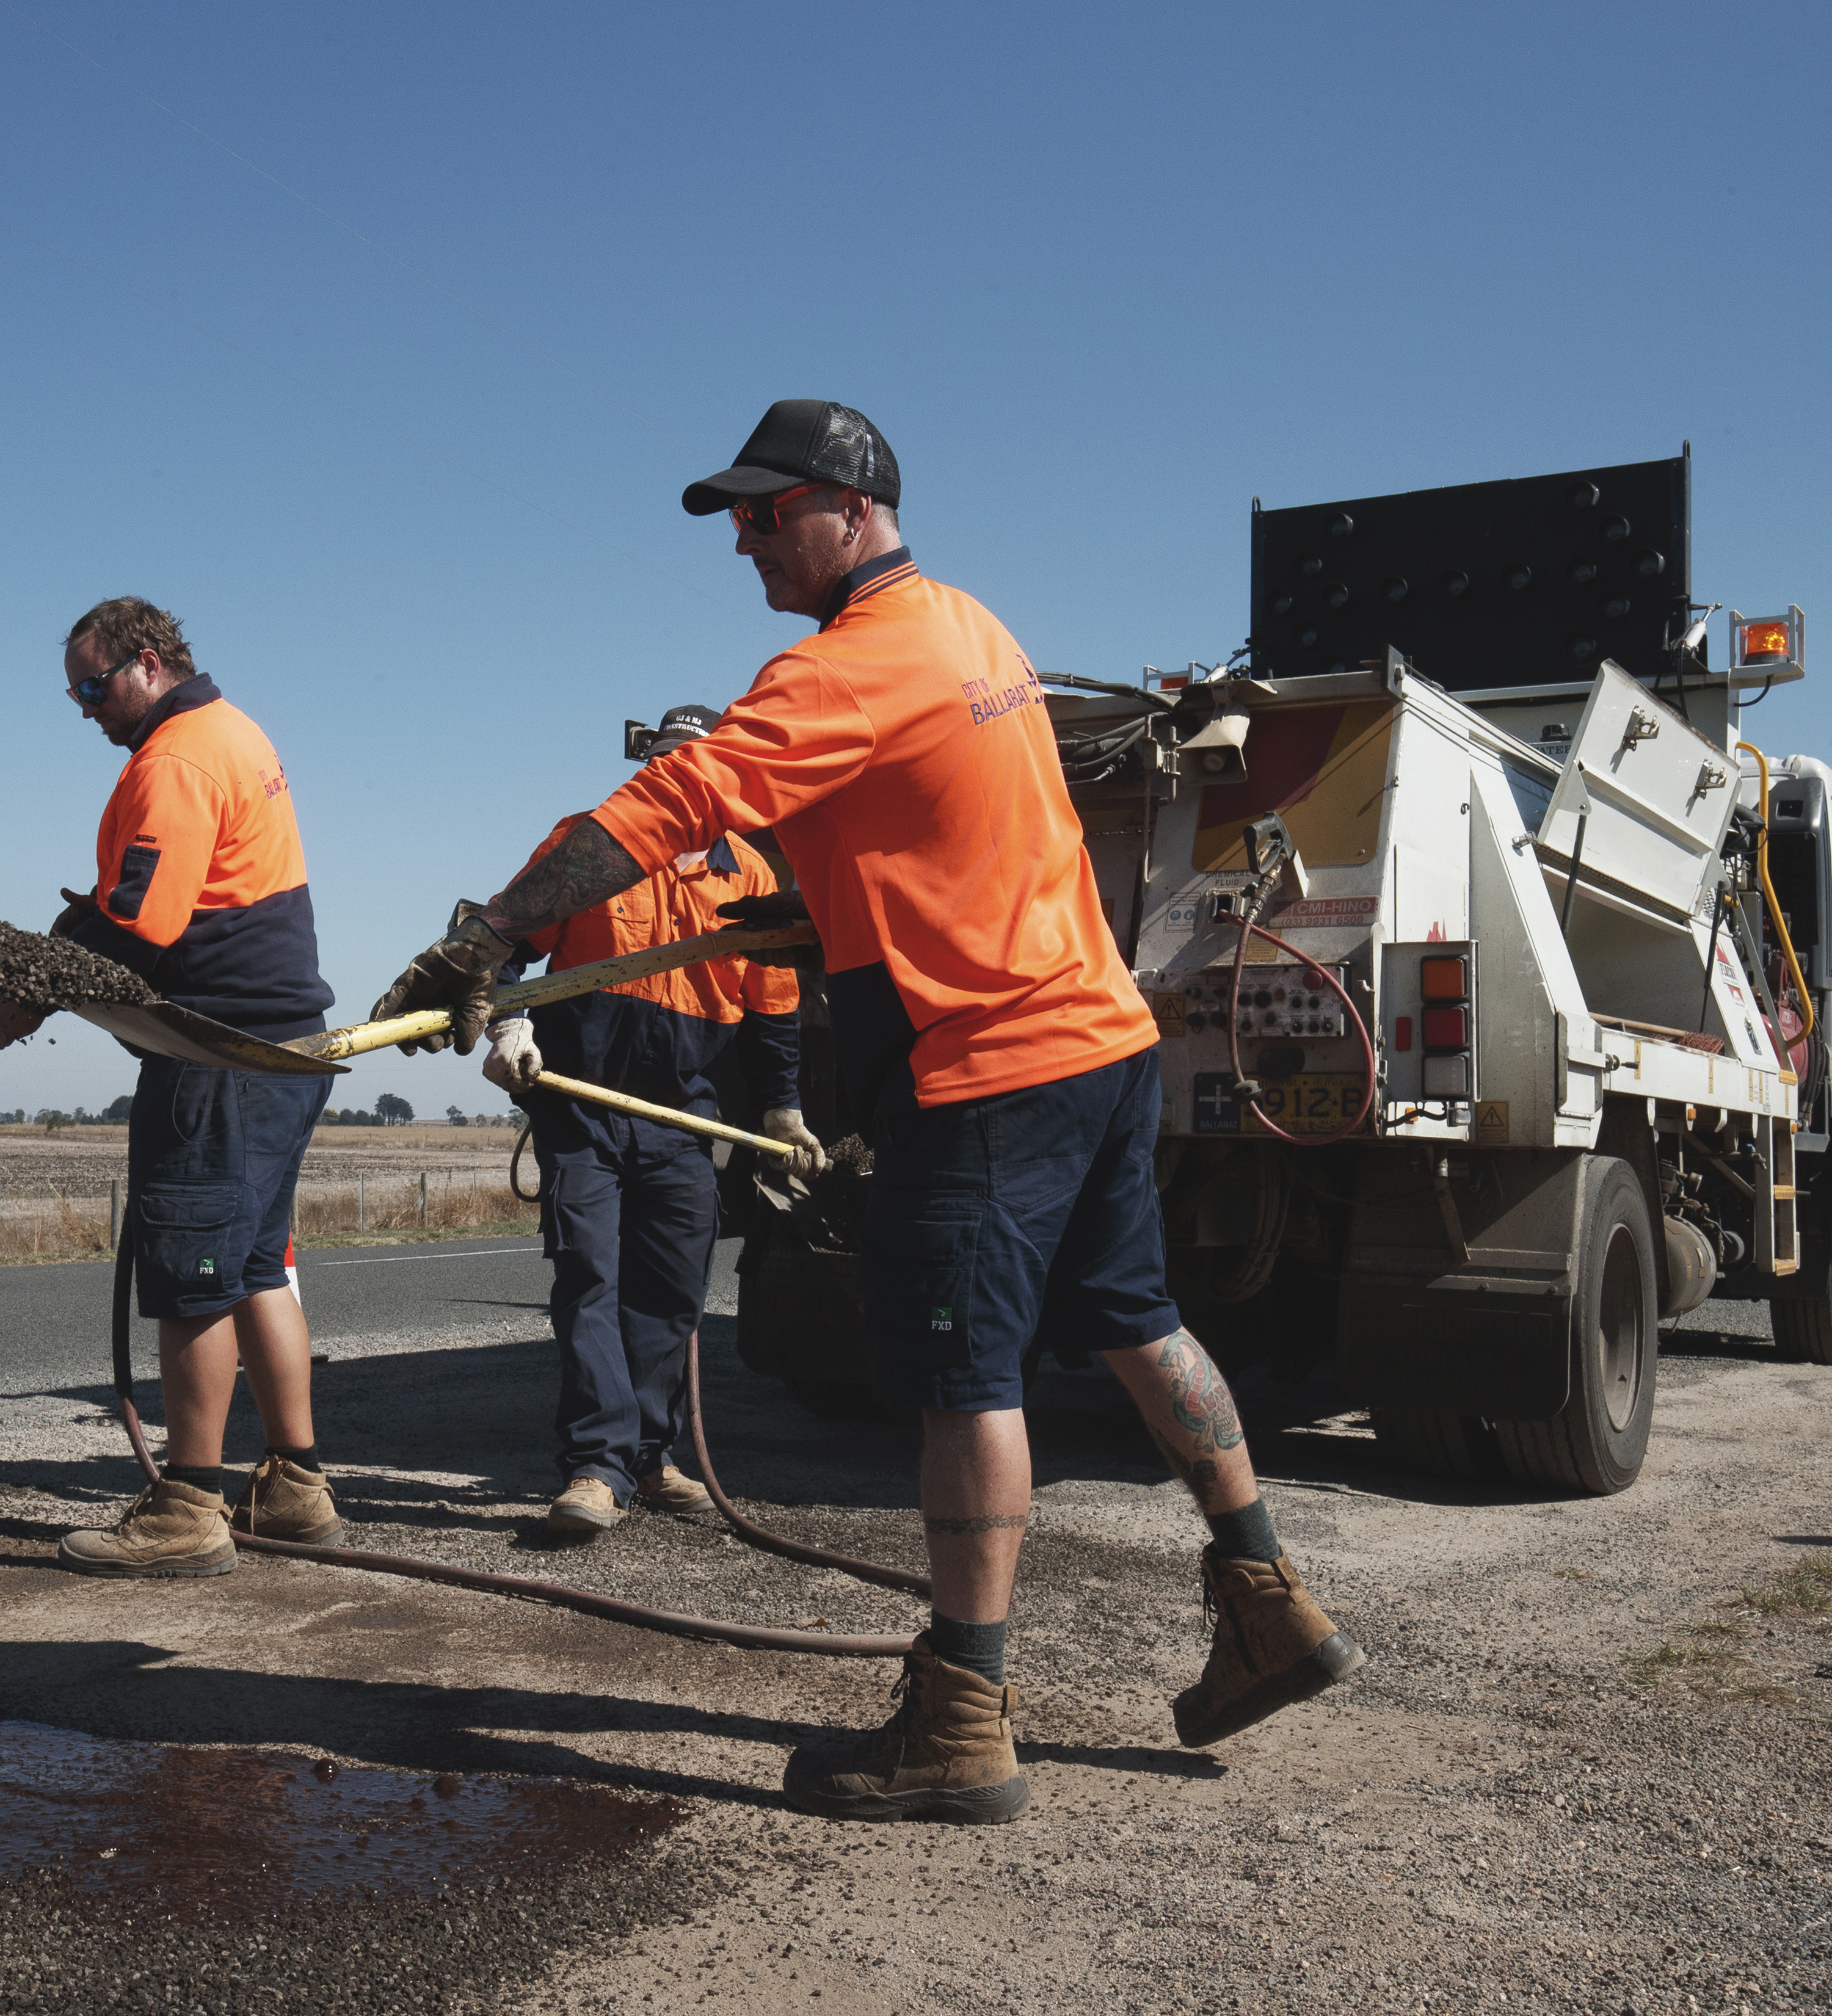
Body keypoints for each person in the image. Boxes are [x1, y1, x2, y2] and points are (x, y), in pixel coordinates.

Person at [373, 400, 1363, 1822]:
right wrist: (816, 906)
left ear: (844, 503)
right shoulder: (971, 627)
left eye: (763, 512)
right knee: (1139, 1322)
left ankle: (960, 1714)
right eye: (735, 516)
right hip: (1094, 1039)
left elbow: (666, 805)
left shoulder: (846, 662)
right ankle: (1266, 1593)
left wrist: (489, 936)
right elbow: (930, 820)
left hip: (987, 1066)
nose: (742, 537)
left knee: (965, 1378)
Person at [0, 596, 340, 1576]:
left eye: (94, 686)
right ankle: (296, 1484)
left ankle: (189, 1505)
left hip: (216, 1054)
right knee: (261, 1264)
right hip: (280, 1049)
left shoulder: (177, 756)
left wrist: (38, 979)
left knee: (192, 1280)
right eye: (75, 693)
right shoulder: (234, 730)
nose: (87, 708)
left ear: (148, 664)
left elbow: (142, 922)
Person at [475, 706, 827, 1534]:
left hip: (680, 1112)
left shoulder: (747, 875)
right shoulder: (586, 846)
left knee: (670, 1291)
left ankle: (649, 1456)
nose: (673, 782)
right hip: (582, 1098)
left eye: (690, 766)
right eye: (663, 765)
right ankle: (596, 1467)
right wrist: (508, 1026)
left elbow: (773, 1008)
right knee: (590, 1277)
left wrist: (783, 1105)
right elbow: (501, 939)